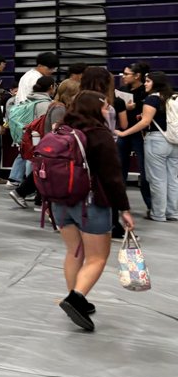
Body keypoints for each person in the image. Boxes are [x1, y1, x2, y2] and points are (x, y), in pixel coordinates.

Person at [55, 91, 136, 331]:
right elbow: (112, 177)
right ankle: (76, 298)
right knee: (97, 257)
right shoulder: (99, 135)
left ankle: (75, 296)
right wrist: (124, 209)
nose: (107, 111)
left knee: (74, 252)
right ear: (96, 108)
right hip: (90, 203)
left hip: (60, 202)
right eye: (105, 107)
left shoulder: (61, 130)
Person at [116, 71, 177, 222]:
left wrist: (124, 133)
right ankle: (173, 212)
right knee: (173, 179)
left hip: (156, 140)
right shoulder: (173, 97)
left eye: (148, 81)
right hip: (174, 140)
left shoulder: (152, 99)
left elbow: (144, 123)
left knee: (157, 179)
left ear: (155, 83)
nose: (145, 83)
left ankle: (158, 213)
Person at [7, 75, 57, 209]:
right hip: (39, 138)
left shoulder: (30, 99)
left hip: (28, 136)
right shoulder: (45, 104)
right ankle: (25, 191)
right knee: (37, 166)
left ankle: (26, 191)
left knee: (33, 162)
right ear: (51, 87)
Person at [118, 61, 152, 214]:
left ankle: (151, 205)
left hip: (140, 133)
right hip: (124, 131)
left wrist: (135, 106)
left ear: (137, 76)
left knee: (145, 171)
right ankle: (119, 203)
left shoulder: (146, 91)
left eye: (126, 74)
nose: (123, 76)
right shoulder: (122, 89)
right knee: (119, 169)